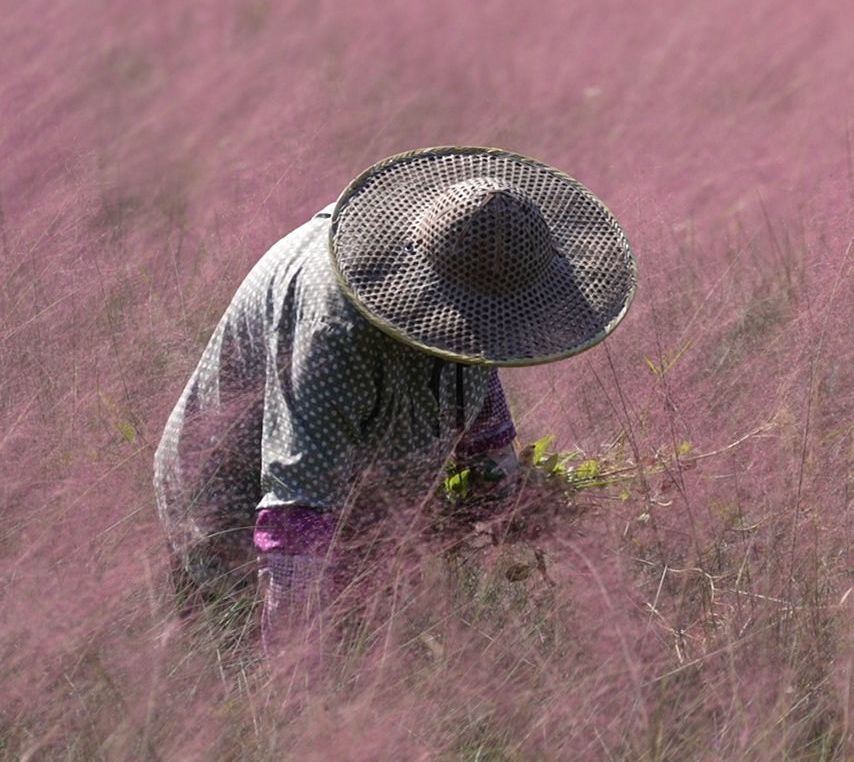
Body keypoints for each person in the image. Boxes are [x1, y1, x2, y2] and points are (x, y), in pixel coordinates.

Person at [153, 147, 638, 649]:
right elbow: (295, 516)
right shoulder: (334, 329)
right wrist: (294, 693)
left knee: (362, 653)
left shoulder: (466, 293)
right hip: (235, 506)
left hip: (351, 508)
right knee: (236, 668)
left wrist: (498, 478)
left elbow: (479, 350)